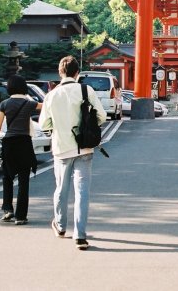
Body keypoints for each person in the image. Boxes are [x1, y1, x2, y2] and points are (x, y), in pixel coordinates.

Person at [38, 56, 107, 251]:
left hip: (61, 148)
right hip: (84, 147)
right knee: (82, 192)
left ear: (60, 72)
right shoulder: (86, 90)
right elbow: (101, 115)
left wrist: (58, 126)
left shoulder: (51, 95)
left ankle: (60, 226)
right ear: (77, 73)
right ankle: (80, 235)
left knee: (61, 188)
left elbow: (44, 124)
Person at [0, 75, 42, 225]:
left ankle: (8, 210)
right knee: (24, 181)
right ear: (24, 87)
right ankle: (21, 216)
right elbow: (46, 106)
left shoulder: (4, 104)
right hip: (24, 143)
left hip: (9, 143)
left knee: (7, 177)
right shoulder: (29, 103)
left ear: (9, 87)